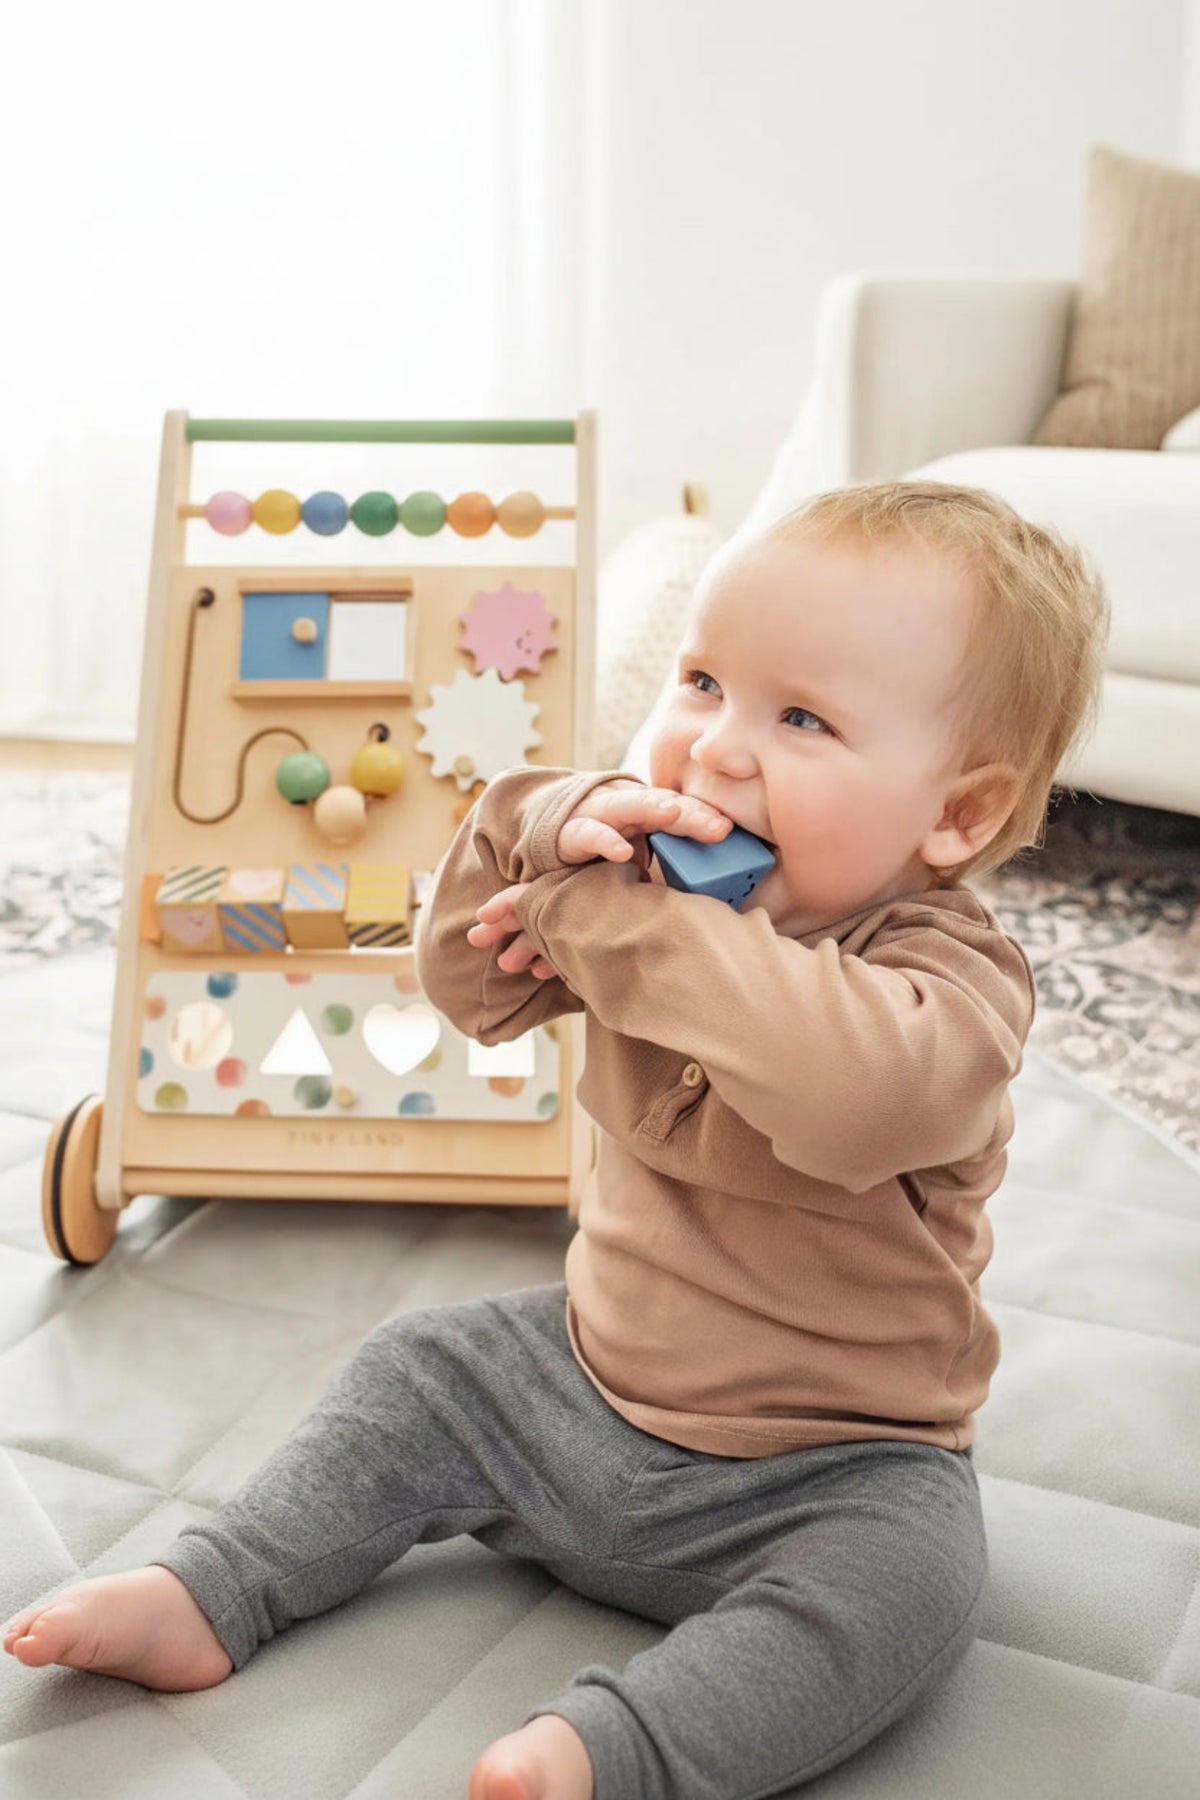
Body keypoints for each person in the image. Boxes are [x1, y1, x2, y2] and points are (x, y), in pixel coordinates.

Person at [3, 482, 1108, 1800]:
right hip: (573, 1391)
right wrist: (526, 833)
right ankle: (219, 1585)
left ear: (957, 818)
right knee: (417, 1369)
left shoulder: (952, 981)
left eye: (801, 717)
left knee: (918, 1590)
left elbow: (851, 1100)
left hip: (830, 1469)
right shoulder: (628, 876)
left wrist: (619, 924)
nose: (713, 749)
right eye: (701, 681)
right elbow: (470, 994)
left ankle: (613, 1753)